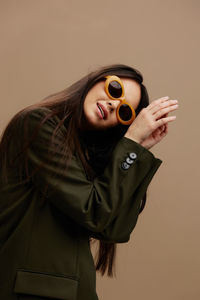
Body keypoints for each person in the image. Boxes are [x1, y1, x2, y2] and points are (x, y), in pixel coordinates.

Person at [0, 64, 178, 300]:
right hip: (32, 291)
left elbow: (115, 228)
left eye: (125, 113)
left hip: (76, 291)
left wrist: (137, 150)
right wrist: (132, 142)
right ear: (95, 80)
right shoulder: (37, 123)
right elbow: (94, 211)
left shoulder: (87, 153)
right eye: (114, 89)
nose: (114, 104)